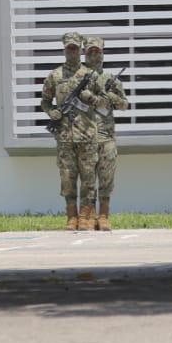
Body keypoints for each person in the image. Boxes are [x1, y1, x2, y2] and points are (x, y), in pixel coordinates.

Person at [39, 31, 107, 230]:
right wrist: (51, 112)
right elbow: (44, 101)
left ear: (80, 50)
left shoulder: (91, 75)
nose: (72, 51)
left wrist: (90, 98)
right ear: (64, 50)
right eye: (69, 48)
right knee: (67, 178)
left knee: (88, 178)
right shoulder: (55, 75)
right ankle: (71, 216)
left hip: (87, 136)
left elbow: (104, 103)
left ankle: (86, 216)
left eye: (75, 48)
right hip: (65, 137)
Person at [84, 36, 129, 231]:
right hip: (84, 136)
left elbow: (124, 104)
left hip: (106, 136)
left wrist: (108, 95)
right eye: (91, 52)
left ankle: (104, 215)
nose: (95, 55)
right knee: (87, 180)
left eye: (98, 52)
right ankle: (89, 215)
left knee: (106, 177)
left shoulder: (110, 79)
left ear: (103, 53)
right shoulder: (80, 79)